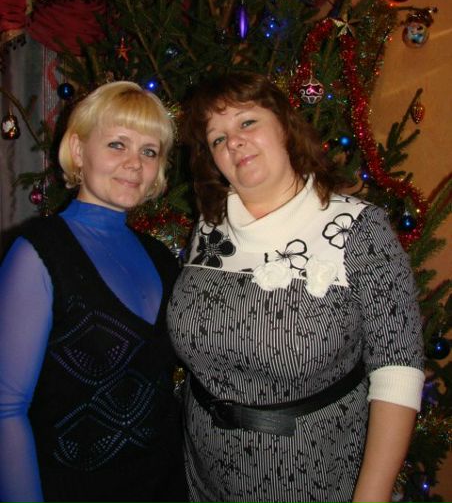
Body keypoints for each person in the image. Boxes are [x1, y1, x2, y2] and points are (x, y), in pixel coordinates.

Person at [167, 72, 425, 503]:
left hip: (313, 474)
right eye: (217, 138)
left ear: (285, 126)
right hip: (205, 474)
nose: (234, 142)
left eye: (247, 122)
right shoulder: (209, 227)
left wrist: (372, 495)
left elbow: (397, 370)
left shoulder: (358, 228)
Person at [0, 81, 187, 503]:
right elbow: (6, 408)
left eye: (149, 151)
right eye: (117, 144)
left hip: (165, 484)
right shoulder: (39, 253)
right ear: (79, 151)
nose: (134, 163)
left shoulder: (160, 257)